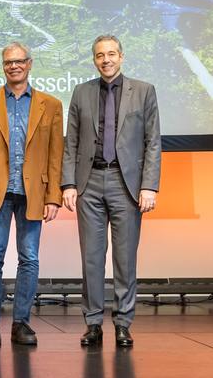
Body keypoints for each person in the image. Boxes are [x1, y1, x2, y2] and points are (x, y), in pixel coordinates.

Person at [62, 34, 161, 348]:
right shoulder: (81, 92)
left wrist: (149, 186)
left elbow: (153, 142)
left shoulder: (144, 91)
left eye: (111, 54)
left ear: (121, 56)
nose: (106, 60)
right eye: (100, 55)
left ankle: (122, 323)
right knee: (91, 258)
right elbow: (71, 142)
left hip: (126, 184)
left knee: (125, 258)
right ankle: (93, 323)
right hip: (89, 182)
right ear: (94, 59)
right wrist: (68, 183)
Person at [0, 41, 64, 346]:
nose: (14, 66)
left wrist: (53, 196)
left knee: (29, 257)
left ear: (29, 64)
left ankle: (21, 323)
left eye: (19, 61)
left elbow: (55, 155)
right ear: (3, 66)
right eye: (8, 62)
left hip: (33, 192)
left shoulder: (51, 104)